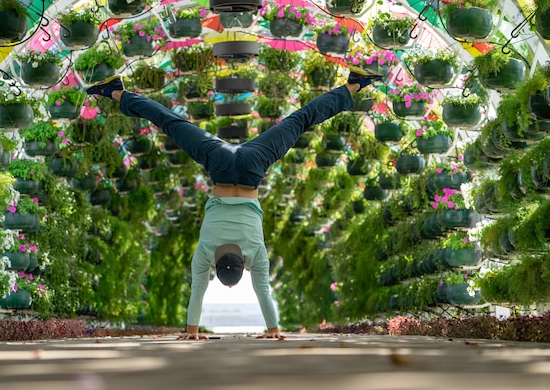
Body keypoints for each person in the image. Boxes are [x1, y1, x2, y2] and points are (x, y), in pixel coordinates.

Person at [86, 69, 379, 340]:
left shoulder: (255, 254)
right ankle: (116, 92)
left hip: (253, 167)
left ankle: (352, 84)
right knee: (169, 121)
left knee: (300, 119)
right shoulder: (205, 253)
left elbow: (262, 292)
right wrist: (192, 331)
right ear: (217, 264)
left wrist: (274, 330)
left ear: (243, 265)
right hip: (220, 162)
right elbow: (197, 292)